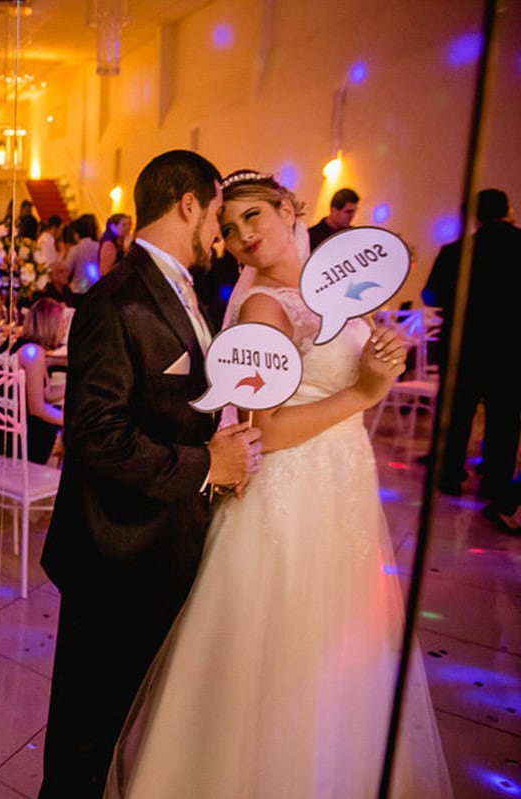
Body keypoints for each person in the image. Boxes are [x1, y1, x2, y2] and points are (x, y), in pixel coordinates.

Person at [105, 170, 451, 798]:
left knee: (344, 656)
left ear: (289, 208)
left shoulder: (339, 289)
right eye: (230, 228)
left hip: (343, 482)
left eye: (253, 218)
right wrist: (361, 392)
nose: (241, 238)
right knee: (286, 658)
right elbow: (268, 427)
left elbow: (355, 377)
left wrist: (381, 363)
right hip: (291, 493)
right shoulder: (264, 304)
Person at [38, 150, 262, 798]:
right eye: (217, 210)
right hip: (116, 550)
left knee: (134, 724)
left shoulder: (189, 289)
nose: (221, 228)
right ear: (188, 204)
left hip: (165, 540)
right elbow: (95, 434)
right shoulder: (119, 298)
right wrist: (204, 464)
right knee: (85, 735)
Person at [433, 189, 521, 508]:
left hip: (464, 347)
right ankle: (496, 483)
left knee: (456, 414)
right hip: (511, 351)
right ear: (507, 210)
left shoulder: (457, 251)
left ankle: (450, 475)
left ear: (475, 216)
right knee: (505, 418)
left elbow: (432, 295)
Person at [0, 297, 65, 465]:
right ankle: (53, 488)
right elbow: (37, 409)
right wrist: (71, 421)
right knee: (74, 437)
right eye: (62, 323)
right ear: (51, 325)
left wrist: (75, 384)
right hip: (0, 435)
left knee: (66, 424)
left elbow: (47, 394)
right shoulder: (32, 353)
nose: (64, 330)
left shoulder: (24, 345)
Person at [65, 213, 101, 295]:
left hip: (77, 291)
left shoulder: (75, 249)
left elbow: (67, 270)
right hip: (96, 290)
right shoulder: (99, 246)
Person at [98, 212, 132, 277]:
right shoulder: (109, 245)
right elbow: (105, 272)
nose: (128, 228)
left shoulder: (120, 242)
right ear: (113, 226)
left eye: (129, 225)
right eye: (124, 225)